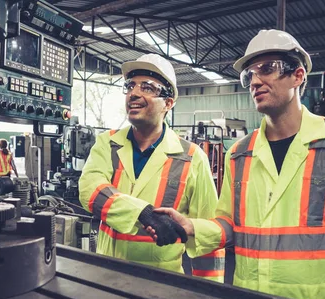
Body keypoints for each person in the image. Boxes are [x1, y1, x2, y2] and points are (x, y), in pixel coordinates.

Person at [151, 30, 325, 299]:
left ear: (298, 75)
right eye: (249, 74)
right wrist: (192, 228)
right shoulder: (240, 153)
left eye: (267, 68)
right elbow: (228, 224)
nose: (255, 81)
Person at [78, 54, 225, 282]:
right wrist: (143, 213)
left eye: (147, 87)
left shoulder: (192, 158)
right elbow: (90, 190)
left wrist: (208, 296)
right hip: (107, 276)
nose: (134, 93)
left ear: (168, 103)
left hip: (161, 283)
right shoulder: (108, 143)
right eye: (130, 86)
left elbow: (207, 235)